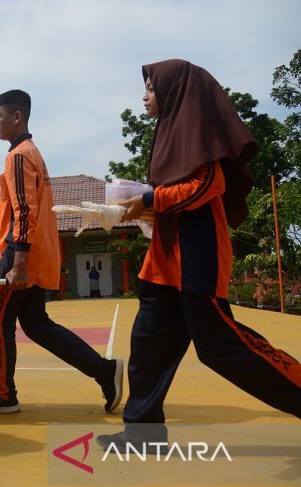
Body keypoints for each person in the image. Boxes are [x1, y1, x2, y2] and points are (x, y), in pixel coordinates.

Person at [97, 59, 301, 449]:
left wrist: (149, 198)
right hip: (164, 261)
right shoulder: (170, 134)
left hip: (196, 258)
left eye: (151, 89)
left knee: (224, 349)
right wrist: (142, 204)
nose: (144, 96)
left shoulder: (199, 135)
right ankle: (142, 433)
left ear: (173, 92)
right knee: (147, 348)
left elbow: (205, 185)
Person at [0, 90, 123, 415]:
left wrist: (17, 262)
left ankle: (3, 394)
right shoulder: (33, 153)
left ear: (17, 117)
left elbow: (24, 209)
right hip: (39, 255)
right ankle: (103, 371)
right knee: (36, 324)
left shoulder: (19, 155)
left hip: (20, 259)